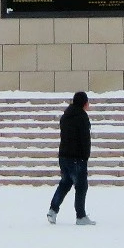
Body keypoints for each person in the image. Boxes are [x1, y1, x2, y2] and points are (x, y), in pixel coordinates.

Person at [48, 90, 95, 225]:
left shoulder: (66, 115)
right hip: (77, 157)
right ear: (84, 103)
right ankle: (80, 216)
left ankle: (52, 210)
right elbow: (85, 140)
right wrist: (85, 156)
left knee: (65, 183)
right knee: (81, 186)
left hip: (63, 156)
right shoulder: (82, 117)